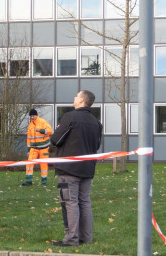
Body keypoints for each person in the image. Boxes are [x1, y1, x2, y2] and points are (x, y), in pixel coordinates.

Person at [49, 90, 103, 246]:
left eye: (76, 96)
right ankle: (86, 237)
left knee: (69, 202)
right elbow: (97, 145)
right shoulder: (96, 123)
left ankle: (71, 238)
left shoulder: (70, 117)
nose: (74, 98)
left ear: (81, 101)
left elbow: (55, 139)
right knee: (84, 201)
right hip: (87, 169)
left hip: (68, 169)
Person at [21, 108, 52, 186]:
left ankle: (44, 182)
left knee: (44, 165)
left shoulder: (42, 122)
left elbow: (50, 131)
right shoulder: (30, 125)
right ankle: (28, 181)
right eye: (31, 116)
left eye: (33, 115)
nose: (32, 117)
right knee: (29, 163)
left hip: (44, 148)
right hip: (33, 148)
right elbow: (29, 138)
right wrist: (28, 150)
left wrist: (40, 130)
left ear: (37, 115)